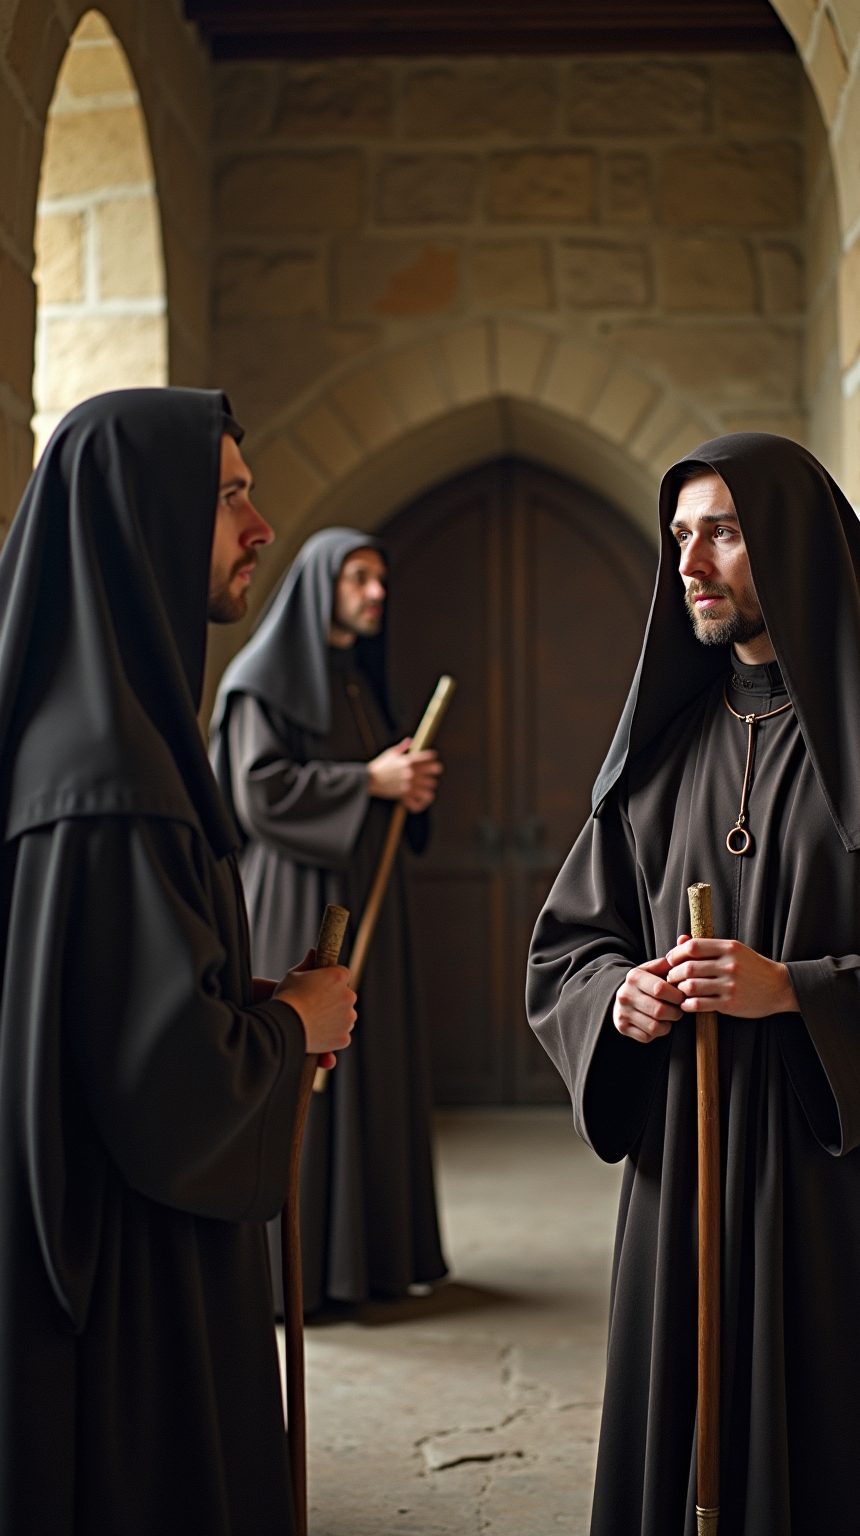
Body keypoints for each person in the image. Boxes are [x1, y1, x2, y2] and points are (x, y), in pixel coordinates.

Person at [527, 432, 860, 1536]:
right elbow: (566, 949)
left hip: (858, 1186)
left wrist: (799, 991)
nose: (690, 562)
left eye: (723, 532)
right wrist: (617, 1000)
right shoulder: (658, 756)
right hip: (689, 1174)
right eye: (679, 538)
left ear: (791, 546)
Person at [0, 388, 357, 1533]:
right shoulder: (113, 781)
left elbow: (87, 1008)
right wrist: (296, 1020)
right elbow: (166, 1088)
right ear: (141, 515)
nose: (261, 529)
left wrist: (238, 997)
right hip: (125, 1284)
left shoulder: (84, 737)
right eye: (230, 498)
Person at [209, 529, 447, 1308]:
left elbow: (376, 782)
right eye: (358, 578)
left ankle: (367, 1264)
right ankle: (296, 1277)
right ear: (319, 585)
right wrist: (367, 781)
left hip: (367, 891)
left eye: (380, 578)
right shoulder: (260, 681)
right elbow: (259, 792)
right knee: (309, 1073)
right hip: (296, 900)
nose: (376, 592)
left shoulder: (355, 680)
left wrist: (401, 788)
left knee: (370, 1076)